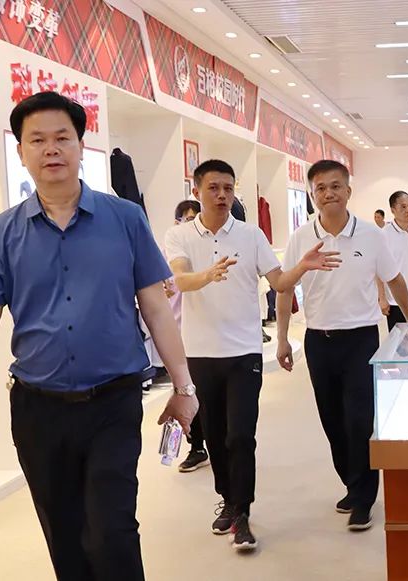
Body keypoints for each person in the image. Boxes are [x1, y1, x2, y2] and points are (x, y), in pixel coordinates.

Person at [0, 92, 198, 581]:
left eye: (62, 138)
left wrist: (184, 387)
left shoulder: (126, 219)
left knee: (112, 530)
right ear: (21, 151)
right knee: (64, 534)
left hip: (113, 402)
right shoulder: (2, 233)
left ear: (81, 146)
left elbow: (156, 308)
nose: (51, 149)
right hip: (39, 410)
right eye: (37, 140)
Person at [165, 159, 340, 552]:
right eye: (214, 188)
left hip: (244, 351)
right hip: (201, 353)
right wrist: (207, 275)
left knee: (241, 435)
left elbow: (278, 281)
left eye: (228, 188)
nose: (222, 195)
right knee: (214, 435)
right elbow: (179, 279)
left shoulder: (251, 234)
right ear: (197, 191)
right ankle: (227, 499)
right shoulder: (179, 235)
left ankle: (241, 513)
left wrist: (302, 268)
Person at [276, 160, 408, 531]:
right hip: (318, 341)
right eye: (320, 188)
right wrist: (282, 338)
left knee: (359, 420)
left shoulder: (371, 235)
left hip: (361, 340)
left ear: (348, 191)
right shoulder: (301, 237)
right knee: (332, 421)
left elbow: (395, 280)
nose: (329, 193)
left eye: (336, 186)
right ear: (312, 195)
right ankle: (352, 484)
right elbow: (284, 288)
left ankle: (364, 497)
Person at [164, 200, 211, 473]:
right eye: (186, 219)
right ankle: (194, 447)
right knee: (183, 393)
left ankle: (209, 443)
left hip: (203, 336)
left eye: (195, 218)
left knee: (203, 393)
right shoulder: (166, 253)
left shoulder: (206, 251)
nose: (191, 224)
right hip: (176, 336)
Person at [378, 191, 408, 330]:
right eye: (403, 207)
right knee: (400, 341)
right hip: (396, 302)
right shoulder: (384, 234)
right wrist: (382, 298)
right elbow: (378, 271)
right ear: (393, 210)